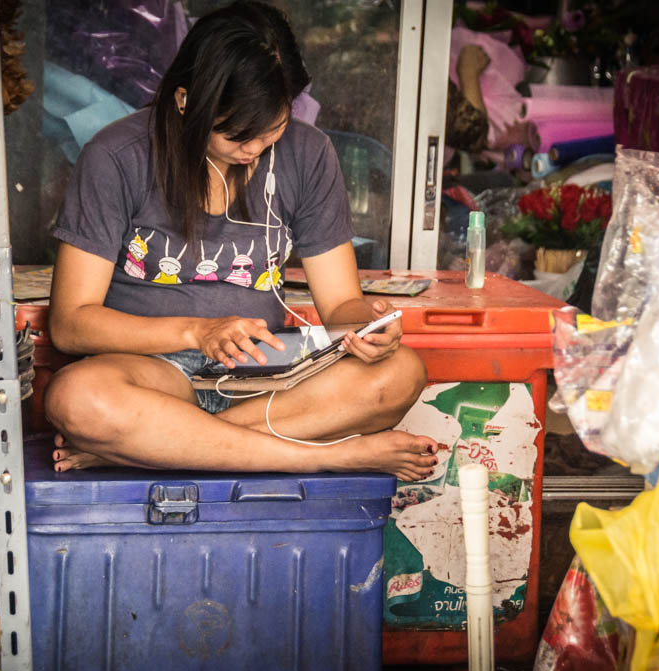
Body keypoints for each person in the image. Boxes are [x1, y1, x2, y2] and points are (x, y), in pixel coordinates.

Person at [43, 1, 439, 482]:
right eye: (237, 134)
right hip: (154, 373)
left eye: (271, 129)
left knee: (401, 373)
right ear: (186, 100)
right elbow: (71, 323)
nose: (254, 149)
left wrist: (368, 328)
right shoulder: (116, 157)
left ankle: (156, 446)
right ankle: (333, 456)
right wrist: (197, 333)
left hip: (263, 374)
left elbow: (341, 306)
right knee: (78, 398)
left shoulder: (308, 154)